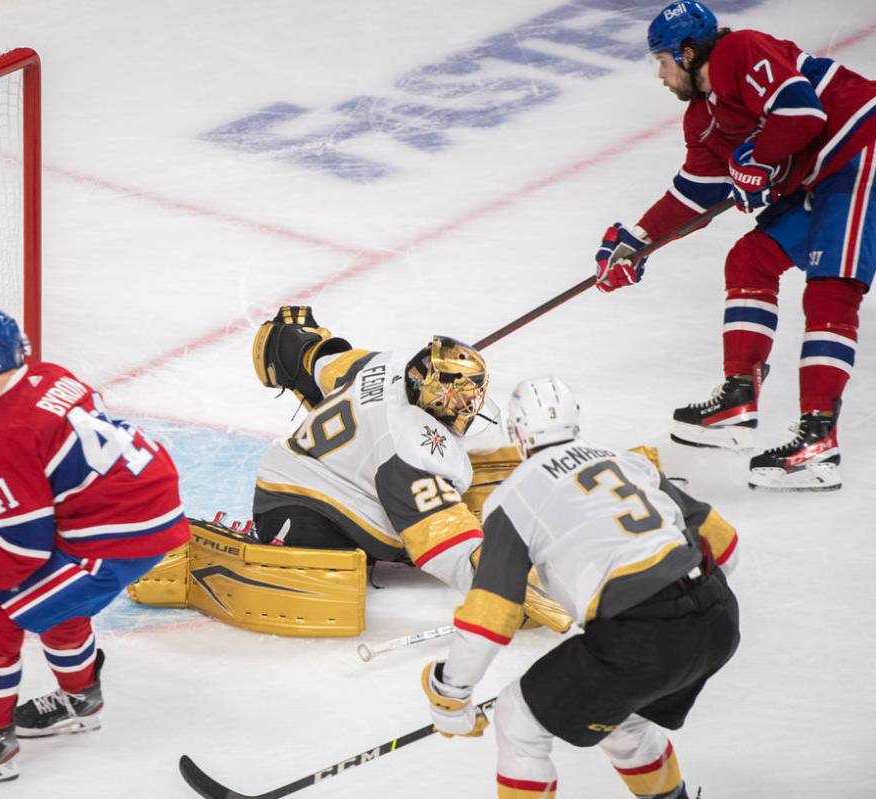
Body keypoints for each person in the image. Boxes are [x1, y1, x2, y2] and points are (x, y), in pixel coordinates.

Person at [594, 0, 876, 491]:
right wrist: (637, 243)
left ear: (686, 54)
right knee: (750, 259)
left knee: (830, 288)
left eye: (661, 61)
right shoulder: (703, 117)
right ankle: (738, 399)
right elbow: (697, 194)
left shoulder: (738, 51)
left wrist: (760, 158)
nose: (660, 75)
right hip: (821, 179)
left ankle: (817, 444)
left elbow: (801, 113)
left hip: (860, 150)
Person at [421, 376, 740, 799]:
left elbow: (492, 614)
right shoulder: (628, 461)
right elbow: (726, 545)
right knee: (622, 715)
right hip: (718, 617)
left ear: (517, 434)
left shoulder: (514, 496)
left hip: (642, 637)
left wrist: (451, 691)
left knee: (519, 720)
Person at [0, 307, 190, 788]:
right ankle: (79, 700)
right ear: (23, 350)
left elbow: (23, 547)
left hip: (116, 533)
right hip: (150, 505)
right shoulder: (54, 375)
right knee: (56, 596)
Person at [246, 306, 569, 631]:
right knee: (347, 568)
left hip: (327, 469)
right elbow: (444, 542)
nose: (470, 406)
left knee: (467, 475)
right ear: (438, 398)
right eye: (464, 400)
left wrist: (293, 340)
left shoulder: (384, 364)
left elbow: (317, 361)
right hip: (300, 509)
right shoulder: (412, 449)